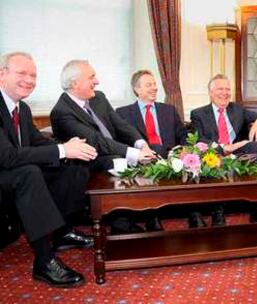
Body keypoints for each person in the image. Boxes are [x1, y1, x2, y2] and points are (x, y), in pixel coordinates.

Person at [0, 52, 98, 287]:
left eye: (33, 75)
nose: (29, 80)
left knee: (70, 165)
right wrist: (63, 150)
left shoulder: (21, 109)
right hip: (6, 173)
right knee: (30, 173)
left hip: (10, 175)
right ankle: (44, 262)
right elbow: (7, 156)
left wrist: (69, 148)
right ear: (2, 74)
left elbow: (36, 141)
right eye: (21, 73)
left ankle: (61, 231)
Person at [50, 60, 161, 233]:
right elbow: (96, 141)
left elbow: (120, 125)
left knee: (149, 157)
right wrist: (133, 153)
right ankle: (121, 225)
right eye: (91, 77)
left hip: (113, 150)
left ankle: (149, 216)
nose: (97, 81)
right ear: (75, 84)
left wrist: (142, 145)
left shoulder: (98, 97)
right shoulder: (62, 112)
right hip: (88, 162)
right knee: (117, 162)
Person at [116, 70, 204, 227]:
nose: (154, 88)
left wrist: (184, 149)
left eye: (155, 84)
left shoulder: (168, 110)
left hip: (171, 156)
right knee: (154, 151)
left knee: (192, 160)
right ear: (137, 89)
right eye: (149, 84)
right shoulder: (123, 113)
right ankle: (152, 217)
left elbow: (183, 134)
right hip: (143, 159)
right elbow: (122, 141)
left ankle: (194, 213)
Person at [190, 73, 257, 226]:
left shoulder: (237, 109)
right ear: (211, 92)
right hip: (215, 153)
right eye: (220, 89)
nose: (225, 93)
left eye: (227, 89)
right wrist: (223, 148)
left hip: (237, 154)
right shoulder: (198, 114)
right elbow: (199, 139)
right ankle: (217, 212)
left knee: (255, 146)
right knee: (209, 156)